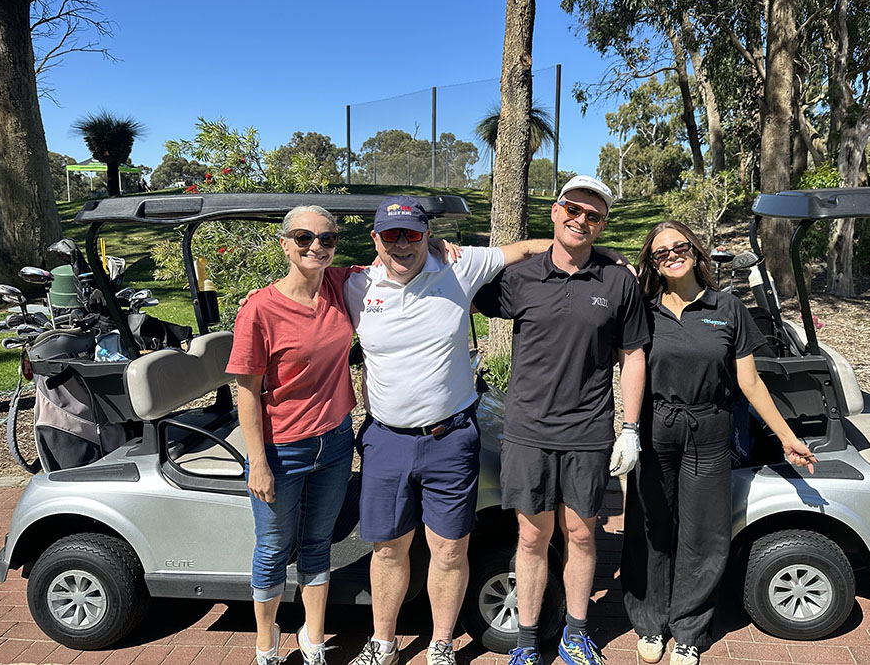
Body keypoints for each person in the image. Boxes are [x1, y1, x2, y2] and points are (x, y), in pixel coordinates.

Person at [346, 195, 557, 665]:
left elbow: (526, 250)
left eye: (413, 234)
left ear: (427, 235)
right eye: (391, 235)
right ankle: (382, 642)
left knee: (448, 548)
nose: (402, 245)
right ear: (375, 239)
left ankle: (440, 643)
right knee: (387, 549)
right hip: (386, 440)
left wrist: (601, 254)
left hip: (450, 439)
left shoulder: (458, 268)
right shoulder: (356, 284)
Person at [620, 220, 817, 665]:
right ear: (651, 264)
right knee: (650, 528)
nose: (672, 254)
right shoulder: (643, 309)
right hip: (656, 428)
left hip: (709, 429)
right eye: (660, 252)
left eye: (679, 246)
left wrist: (787, 438)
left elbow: (749, 383)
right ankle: (651, 622)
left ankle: (689, 628)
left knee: (703, 533)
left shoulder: (726, 307)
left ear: (695, 250)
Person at [473, 175, 649, 665]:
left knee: (582, 534)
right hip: (527, 431)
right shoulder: (521, 279)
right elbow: (465, 280)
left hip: (589, 433)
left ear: (603, 224)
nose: (582, 221)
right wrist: (529, 246)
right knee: (531, 537)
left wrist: (630, 429)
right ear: (555, 210)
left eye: (594, 216)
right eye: (573, 209)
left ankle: (575, 633)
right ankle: (527, 642)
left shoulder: (618, 282)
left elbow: (633, 355)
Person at [226, 206, 358, 665]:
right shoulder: (260, 308)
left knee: (318, 543)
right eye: (303, 237)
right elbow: (246, 391)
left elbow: (397, 255)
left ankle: (314, 637)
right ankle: (266, 642)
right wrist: (257, 462)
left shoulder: (340, 284)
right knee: (273, 548)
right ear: (284, 244)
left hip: (337, 441)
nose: (316, 246)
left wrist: (437, 244)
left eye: (326, 239)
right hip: (283, 449)